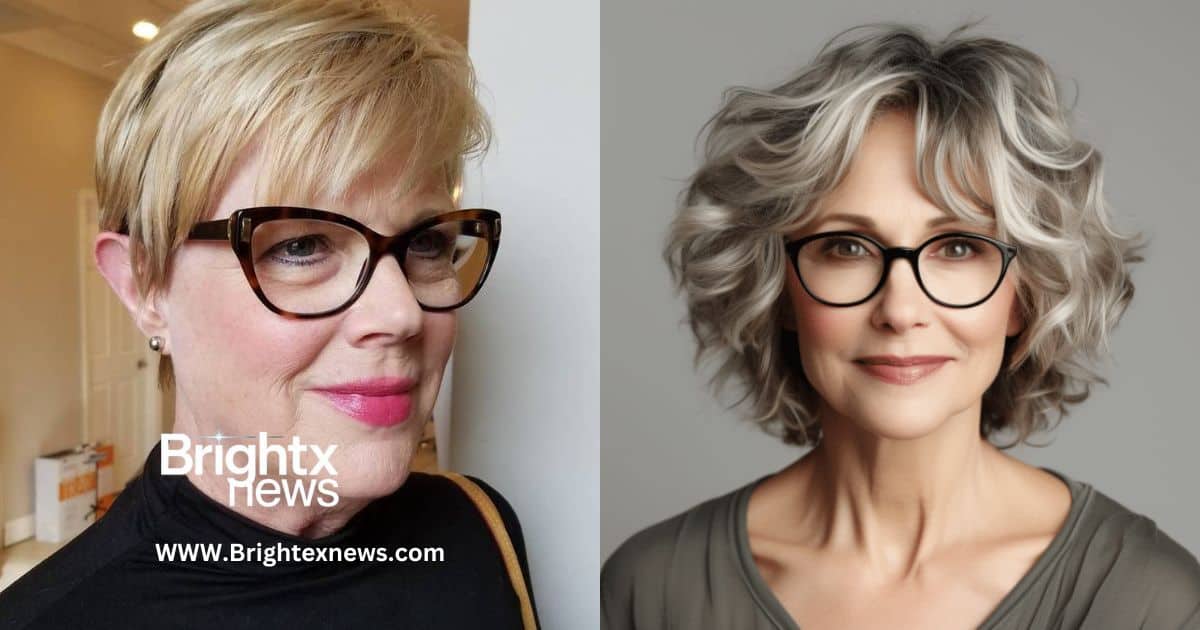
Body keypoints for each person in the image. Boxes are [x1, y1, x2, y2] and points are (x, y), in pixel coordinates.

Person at [602, 23, 1200, 629]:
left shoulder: (1146, 600)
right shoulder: (650, 590)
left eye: (960, 247)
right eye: (847, 247)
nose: (900, 310)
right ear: (778, 288)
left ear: (1028, 293)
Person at [0, 1, 538, 628]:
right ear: (144, 285)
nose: (401, 313)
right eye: (300, 246)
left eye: (426, 243)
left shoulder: (479, 528)